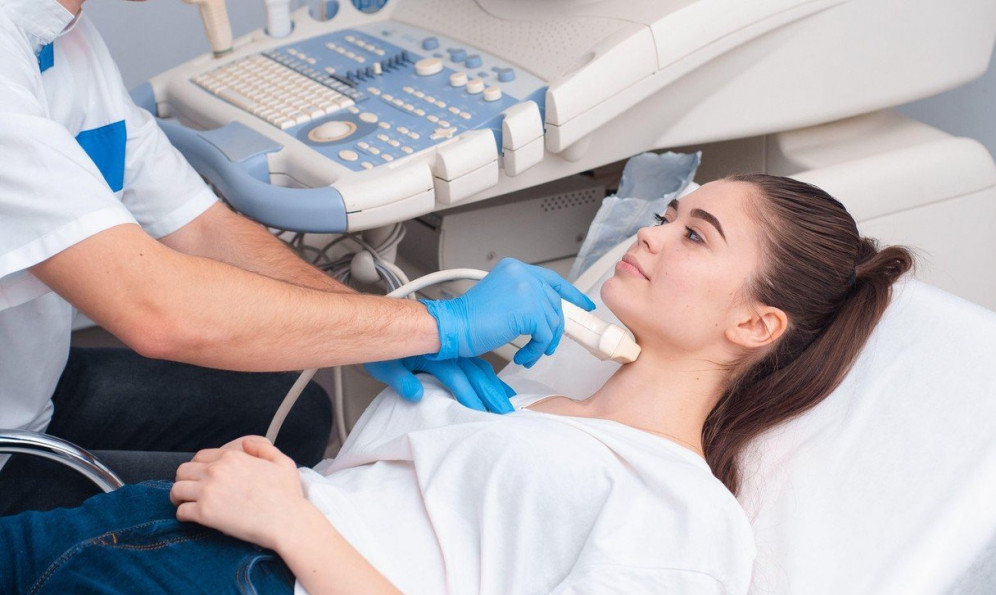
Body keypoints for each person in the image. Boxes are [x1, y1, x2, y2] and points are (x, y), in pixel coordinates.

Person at [0, 174, 914, 595]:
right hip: (156, 524)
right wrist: (417, 339)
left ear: (755, 324)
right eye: (670, 214)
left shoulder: (687, 520)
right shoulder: (517, 397)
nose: (653, 233)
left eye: (696, 235)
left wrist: (295, 524)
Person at [0, 0, 578, 516]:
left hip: (33, 389)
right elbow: (157, 310)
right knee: (274, 513)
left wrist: (388, 332)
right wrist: (440, 324)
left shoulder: (67, 35)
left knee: (296, 416)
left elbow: (200, 227)